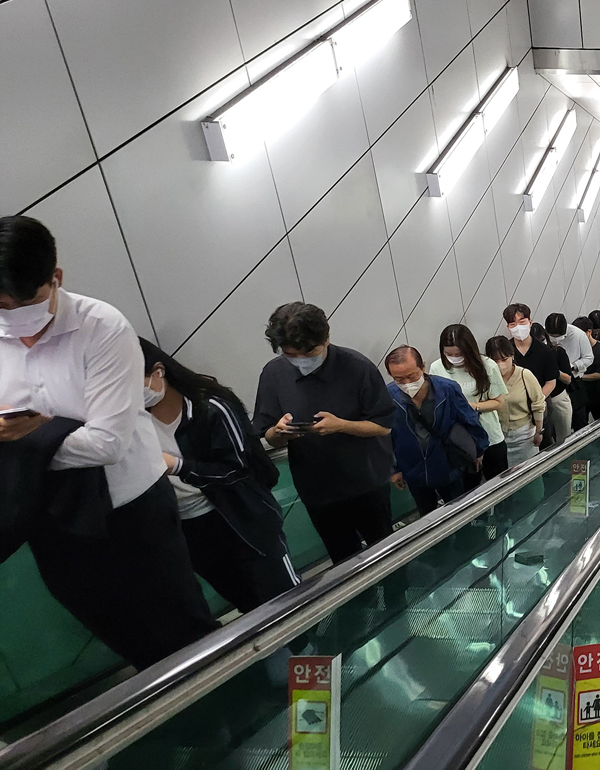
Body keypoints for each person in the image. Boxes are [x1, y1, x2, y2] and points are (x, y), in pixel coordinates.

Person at [0, 216, 217, 669]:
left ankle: (227, 698)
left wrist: (28, 441)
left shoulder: (102, 327)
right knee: (114, 629)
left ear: (56, 277)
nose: (14, 315)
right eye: (2, 305)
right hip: (50, 518)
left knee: (180, 629)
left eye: (26, 301)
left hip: (130, 512)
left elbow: (106, 444)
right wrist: (35, 438)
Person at [142, 339, 299, 615]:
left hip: (240, 517)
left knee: (285, 600)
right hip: (187, 527)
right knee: (247, 605)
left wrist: (179, 467)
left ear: (158, 372)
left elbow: (238, 469)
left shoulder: (210, 408)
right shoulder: (133, 419)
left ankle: (309, 642)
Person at [254, 302, 396, 565]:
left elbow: (383, 425)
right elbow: (267, 434)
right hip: (317, 490)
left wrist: (341, 425)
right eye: (291, 354)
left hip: (367, 483)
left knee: (385, 554)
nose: (301, 361)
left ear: (326, 338)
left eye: (309, 352)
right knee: (343, 561)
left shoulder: (358, 368)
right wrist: (280, 431)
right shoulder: (274, 373)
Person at [384, 346, 489, 515]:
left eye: (412, 376)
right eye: (399, 379)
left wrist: (477, 451)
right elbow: (387, 437)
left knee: (458, 510)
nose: (407, 383)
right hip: (414, 469)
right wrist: (393, 470)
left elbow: (469, 419)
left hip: (447, 464)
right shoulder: (388, 397)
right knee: (426, 514)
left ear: (422, 367)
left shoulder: (446, 389)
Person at [429, 323, 508, 484]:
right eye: (448, 354)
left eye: (458, 354)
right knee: (468, 489)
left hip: (489, 435)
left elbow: (499, 401)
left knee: (499, 483)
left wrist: (473, 407)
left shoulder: (488, 366)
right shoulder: (437, 368)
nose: (454, 358)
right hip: (459, 441)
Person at [486, 336, 546, 466]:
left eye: (504, 359)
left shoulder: (524, 375)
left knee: (529, 470)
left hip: (524, 436)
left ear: (512, 356)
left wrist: (539, 431)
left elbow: (538, 404)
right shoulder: (487, 378)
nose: (500, 365)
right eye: (495, 361)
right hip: (497, 437)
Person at [532, 322, 574, 448]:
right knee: (544, 438)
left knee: (564, 435)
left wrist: (555, 371)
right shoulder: (530, 356)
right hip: (538, 401)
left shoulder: (557, 352)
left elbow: (568, 379)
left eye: (542, 340)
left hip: (557, 397)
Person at [549, 313, 592, 434]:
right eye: (552, 336)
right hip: (554, 383)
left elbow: (589, 358)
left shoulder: (578, 335)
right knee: (558, 422)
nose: (555, 339)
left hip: (574, 380)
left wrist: (573, 366)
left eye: (559, 336)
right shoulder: (544, 335)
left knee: (579, 420)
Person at [577, 323, 600, 422]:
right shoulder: (576, 348)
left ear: (589, 332)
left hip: (597, 395)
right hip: (579, 396)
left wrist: (580, 376)